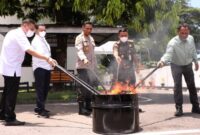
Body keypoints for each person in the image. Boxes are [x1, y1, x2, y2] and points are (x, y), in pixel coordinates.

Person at [0, 19, 57, 126]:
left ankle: (3, 113)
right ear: (25, 25)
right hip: (12, 68)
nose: (31, 31)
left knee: (7, 92)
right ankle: (10, 118)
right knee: (11, 93)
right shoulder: (20, 35)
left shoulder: (13, 32)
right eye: (31, 29)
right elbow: (30, 50)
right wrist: (47, 58)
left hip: (8, 66)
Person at [157, 23, 200, 117]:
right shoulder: (173, 43)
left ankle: (196, 107)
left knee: (192, 86)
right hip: (176, 65)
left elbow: (193, 50)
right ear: (178, 32)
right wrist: (162, 61)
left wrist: (196, 62)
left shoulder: (191, 38)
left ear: (188, 32)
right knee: (178, 87)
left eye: (186, 33)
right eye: (182, 33)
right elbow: (168, 54)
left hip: (188, 65)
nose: (184, 35)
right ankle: (179, 108)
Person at [75, 21, 97, 116]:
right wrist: (84, 59)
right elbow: (79, 50)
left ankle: (88, 106)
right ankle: (81, 109)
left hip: (91, 68)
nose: (89, 30)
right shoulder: (79, 38)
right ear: (83, 28)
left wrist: (95, 65)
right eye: (87, 28)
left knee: (90, 87)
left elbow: (92, 53)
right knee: (83, 88)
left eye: (90, 29)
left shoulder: (91, 38)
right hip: (82, 67)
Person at [31, 24, 52, 118]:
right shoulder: (35, 41)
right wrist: (48, 59)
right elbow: (39, 54)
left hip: (47, 67)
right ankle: (41, 109)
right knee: (40, 89)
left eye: (44, 30)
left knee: (45, 89)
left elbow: (48, 53)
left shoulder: (44, 40)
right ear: (36, 31)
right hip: (39, 67)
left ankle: (39, 107)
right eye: (41, 30)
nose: (43, 32)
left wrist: (51, 62)